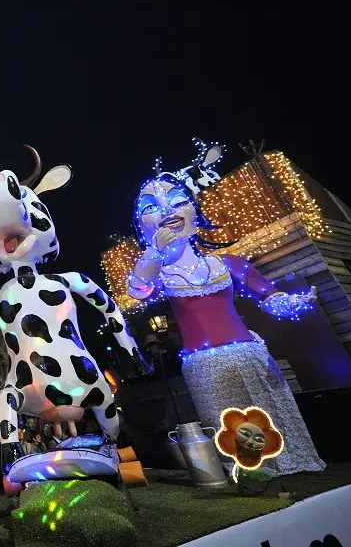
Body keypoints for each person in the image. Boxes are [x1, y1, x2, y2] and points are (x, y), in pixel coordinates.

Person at [126, 170, 325, 476]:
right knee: (224, 423)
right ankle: (245, 474)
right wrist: (154, 252)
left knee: (269, 415)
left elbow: (269, 296)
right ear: (142, 225)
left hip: (248, 353)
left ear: (194, 210)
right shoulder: (160, 274)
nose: (167, 212)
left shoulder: (225, 262)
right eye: (151, 207)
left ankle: (291, 462)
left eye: (177, 201)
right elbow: (137, 290)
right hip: (204, 365)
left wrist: (292, 302)